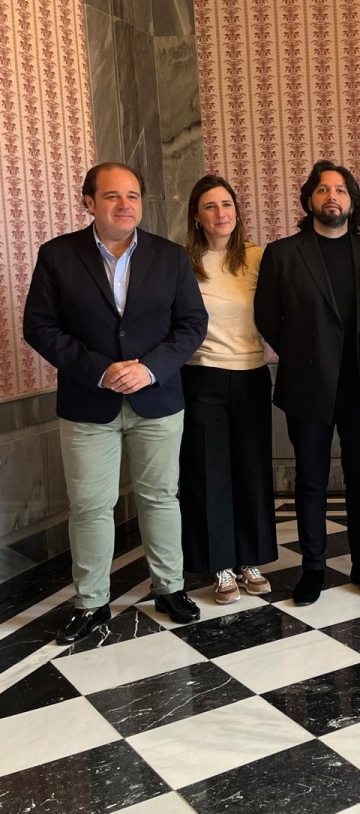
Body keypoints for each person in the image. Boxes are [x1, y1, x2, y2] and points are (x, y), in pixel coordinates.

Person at [23, 162, 206, 643]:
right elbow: (39, 327)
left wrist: (148, 368)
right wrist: (101, 370)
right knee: (89, 506)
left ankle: (170, 588)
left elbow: (191, 324)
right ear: (88, 202)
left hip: (158, 398)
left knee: (161, 497)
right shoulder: (58, 255)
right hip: (88, 402)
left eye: (133, 196)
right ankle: (91, 603)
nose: (125, 205)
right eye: (112, 196)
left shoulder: (169, 257)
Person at [254, 160, 360, 606]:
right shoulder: (283, 253)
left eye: (341, 190)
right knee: (310, 479)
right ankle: (313, 568)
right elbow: (266, 318)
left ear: (353, 202)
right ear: (309, 200)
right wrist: (302, 354)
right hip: (307, 383)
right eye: (322, 189)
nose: (332, 196)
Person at [179, 175, 276, 604]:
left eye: (227, 205)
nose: (221, 214)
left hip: (253, 373)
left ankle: (249, 560)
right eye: (210, 207)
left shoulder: (257, 257)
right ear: (197, 217)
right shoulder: (183, 261)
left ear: (237, 210)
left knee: (251, 469)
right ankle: (221, 567)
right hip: (202, 377)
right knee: (209, 472)